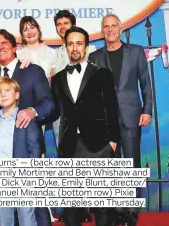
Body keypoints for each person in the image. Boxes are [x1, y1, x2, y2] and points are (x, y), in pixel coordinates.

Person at [51, 26, 119, 226]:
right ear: (65, 47)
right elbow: (54, 111)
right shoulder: (57, 79)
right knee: (72, 207)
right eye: (70, 43)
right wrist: (33, 110)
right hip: (70, 145)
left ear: (87, 47)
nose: (74, 48)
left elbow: (112, 109)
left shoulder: (102, 74)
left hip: (99, 145)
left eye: (79, 43)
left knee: (102, 205)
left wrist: (113, 142)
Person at [88, 14, 152, 226]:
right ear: (102, 30)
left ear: (121, 27)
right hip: (106, 121)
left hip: (132, 116)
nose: (110, 30)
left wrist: (147, 110)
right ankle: (116, 211)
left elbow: (146, 83)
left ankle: (132, 213)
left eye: (114, 25)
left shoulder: (135, 52)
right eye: (106, 26)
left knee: (131, 164)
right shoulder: (96, 57)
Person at [0, 29, 54, 226]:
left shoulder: (32, 70)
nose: (0, 48)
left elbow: (49, 104)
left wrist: (32, 111)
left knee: (33, 207)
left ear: (14, 47)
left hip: (28, 148)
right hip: (3, 153)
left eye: (3, 44)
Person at [0, 77, 40, 226]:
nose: (3, 95)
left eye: (7, 91)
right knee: (4, 219)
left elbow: (34, 148)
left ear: (17, 95)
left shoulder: (25, 118)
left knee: (26, 217)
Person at [16, 16, 57, 81]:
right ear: (22, 35)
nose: (30, 32)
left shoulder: (51, 52)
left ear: (38, 29)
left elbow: (54, 77)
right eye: (25, 30)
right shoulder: (17, 53)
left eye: (32, 28)